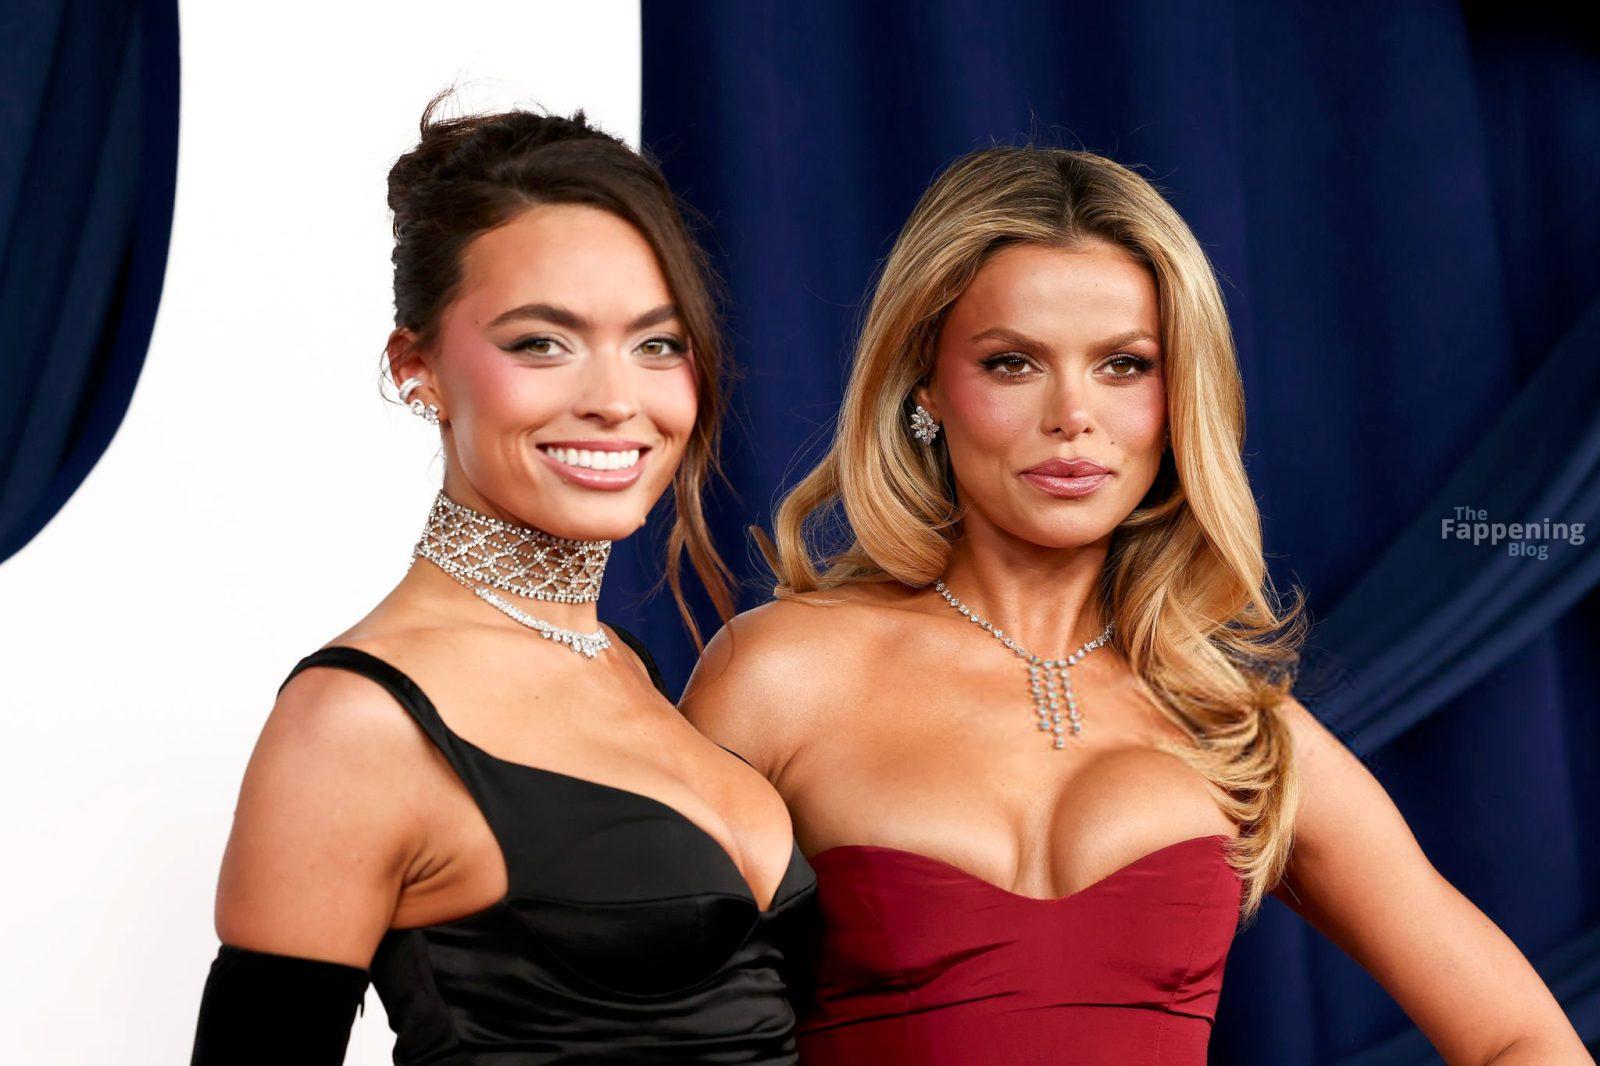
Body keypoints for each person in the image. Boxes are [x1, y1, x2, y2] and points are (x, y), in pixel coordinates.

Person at [679, 146, 1587, 1063]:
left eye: (1123, 365)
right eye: (1012, 363)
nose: (1073, 416)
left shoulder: (1232, 726)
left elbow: (1521, 1039)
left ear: (1178, 395)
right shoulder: (781, 677)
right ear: (928, 390)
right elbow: (642, 1027)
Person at [190, 93, 817, 1064]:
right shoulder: (354, 724)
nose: (614, 399)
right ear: (418, 368)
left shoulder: (627, 668)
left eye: (656, 343)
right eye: (541, 343)